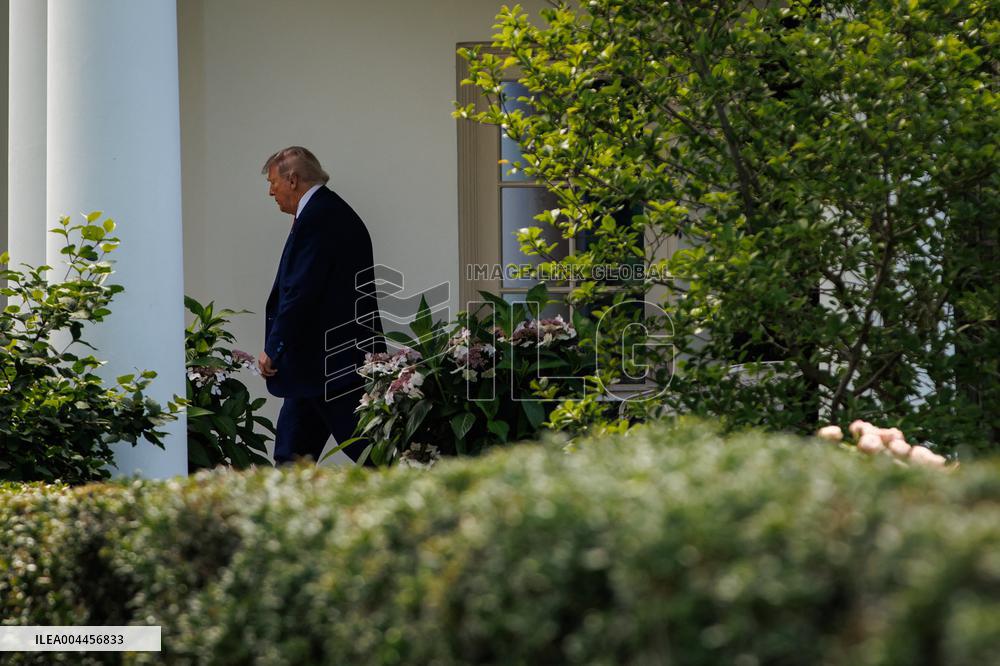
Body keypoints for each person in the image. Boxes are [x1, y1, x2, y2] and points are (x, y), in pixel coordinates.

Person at [259, 146, 383, 466]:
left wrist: (275, 345)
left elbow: (300, 291)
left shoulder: (319, 217)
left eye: (274, 182)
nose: (271, 191)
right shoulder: (328, 211)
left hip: (333, 364)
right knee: (292, 455)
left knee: (370, 453)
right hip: (315, 366)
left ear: (293, 179)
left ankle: (412, 506)